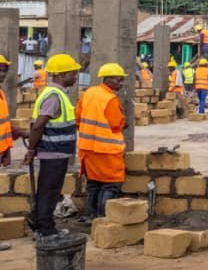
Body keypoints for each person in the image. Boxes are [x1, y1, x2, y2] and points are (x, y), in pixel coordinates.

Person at [23, 53, 80, 238]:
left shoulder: (57, 94)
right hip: (53, 152)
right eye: (72, 73)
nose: (75, 76)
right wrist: (31, 149)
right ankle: (45, 230)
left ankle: (41, 223)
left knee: (49, 190)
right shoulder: (54, 96)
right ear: (61, 75)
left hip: (57, 152)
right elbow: (39, 124)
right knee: (50, 191)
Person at [77, 62, 129, 222]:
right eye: (118, 80)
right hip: (107, 150)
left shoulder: (88, 93)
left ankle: (89, 215)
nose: (120, 83)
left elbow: (78, 118)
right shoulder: (110, 99)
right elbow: (116, 124)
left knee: (93, 183)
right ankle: (102, 218)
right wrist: (124, 123)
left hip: (87, 149)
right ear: (107, 80)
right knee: (110, 184)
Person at [0, 54, 24, 169]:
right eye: (0, 71)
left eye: (4, 71)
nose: (2, 74)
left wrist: (16, 131)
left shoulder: (1, 92)